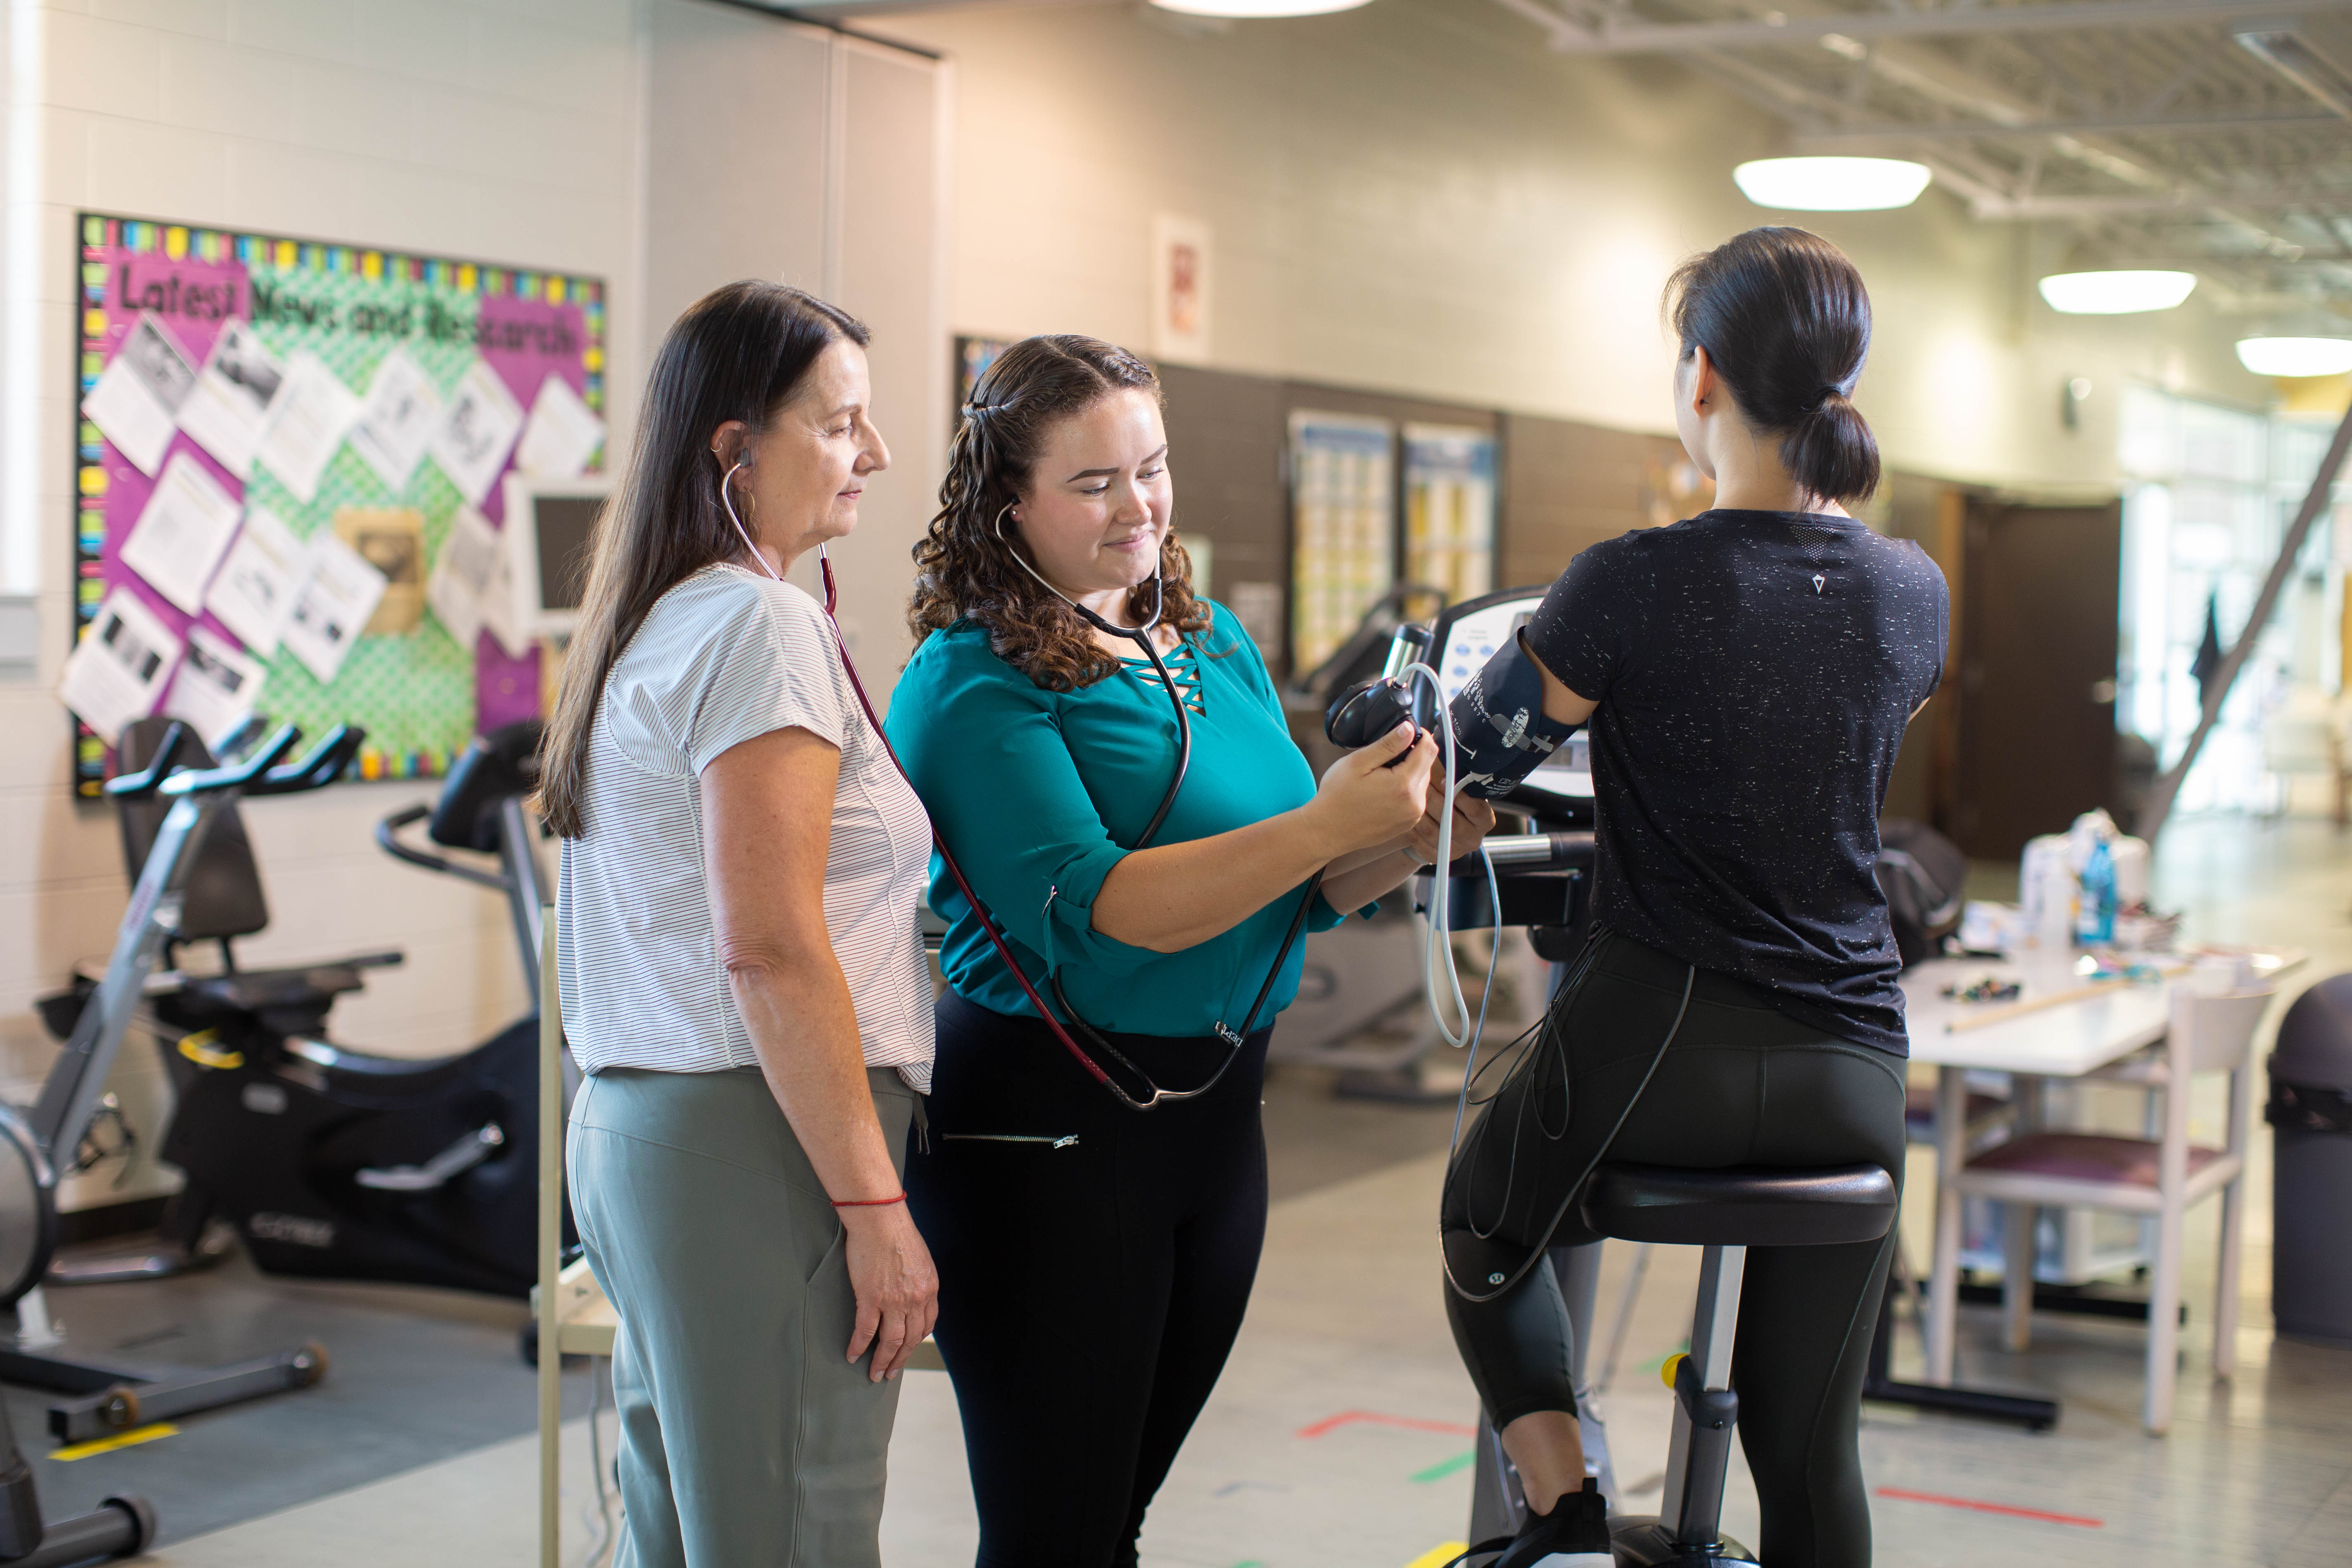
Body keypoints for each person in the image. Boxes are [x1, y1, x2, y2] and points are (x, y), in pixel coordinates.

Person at [885, 334, 1491, 1568]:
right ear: (1008, 502)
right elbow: (1109, 905)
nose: (1139, 506)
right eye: (1095, 482)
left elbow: (1300, 888)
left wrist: (1416, 836)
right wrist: (1327, 820)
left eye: (1151, 468)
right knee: (1054, 1533)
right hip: (1051, 1136)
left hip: (1213, 1124)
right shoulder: (969, 683)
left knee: (1117, 1521)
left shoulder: (1202, 642)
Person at [1440, 227, 1947, 1568]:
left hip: (1659, 1034)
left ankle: (1563, 1502)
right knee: (1805, 1442)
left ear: (1700, 375)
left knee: (1483, 1214)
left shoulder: (1631, 577)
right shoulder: (1914, 592)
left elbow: (1474, 755)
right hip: (1853, 1058)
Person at [540, 280, 938, 1568]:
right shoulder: (762, 623)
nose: (872, 454)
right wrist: (872, 1205)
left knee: (692, 1527)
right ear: (735, 450)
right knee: (794, 1526)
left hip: (644, 1132)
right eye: (839, 423)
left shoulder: (653, 620)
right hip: (756, 1140)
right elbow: (767, 946)